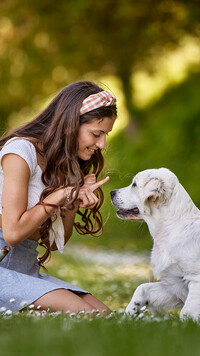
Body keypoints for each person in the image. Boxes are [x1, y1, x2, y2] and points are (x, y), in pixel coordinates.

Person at [0, 80, 117, 314]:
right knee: (88, 314)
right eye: (96, 133)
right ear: (71, 124)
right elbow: (12, 234)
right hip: (3, 265)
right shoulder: (20, 152)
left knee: (105, 315)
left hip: (23, 267)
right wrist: (60, 195)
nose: (102, 144)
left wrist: (72, 198)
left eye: (105, 135)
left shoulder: (67, 165)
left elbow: (54, 243)